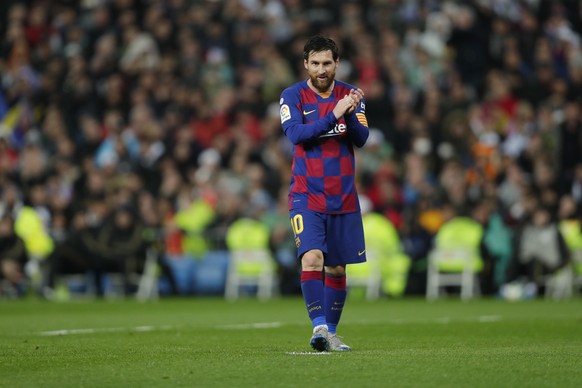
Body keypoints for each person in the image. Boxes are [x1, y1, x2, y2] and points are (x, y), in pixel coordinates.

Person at [279, 35, 369, 352]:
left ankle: (330, 332)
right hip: (307, 195)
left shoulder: (351, 95)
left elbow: (361, 137)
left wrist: (350, 111)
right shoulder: (292, 96)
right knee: (313, 258)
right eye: (315, 63)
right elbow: (296, 134)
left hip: (342, 197)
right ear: (305, 64)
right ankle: (318, 329)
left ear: (336, 64)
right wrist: (334, 114)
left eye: (326, 63)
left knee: (337, 268)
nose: (321, 69)